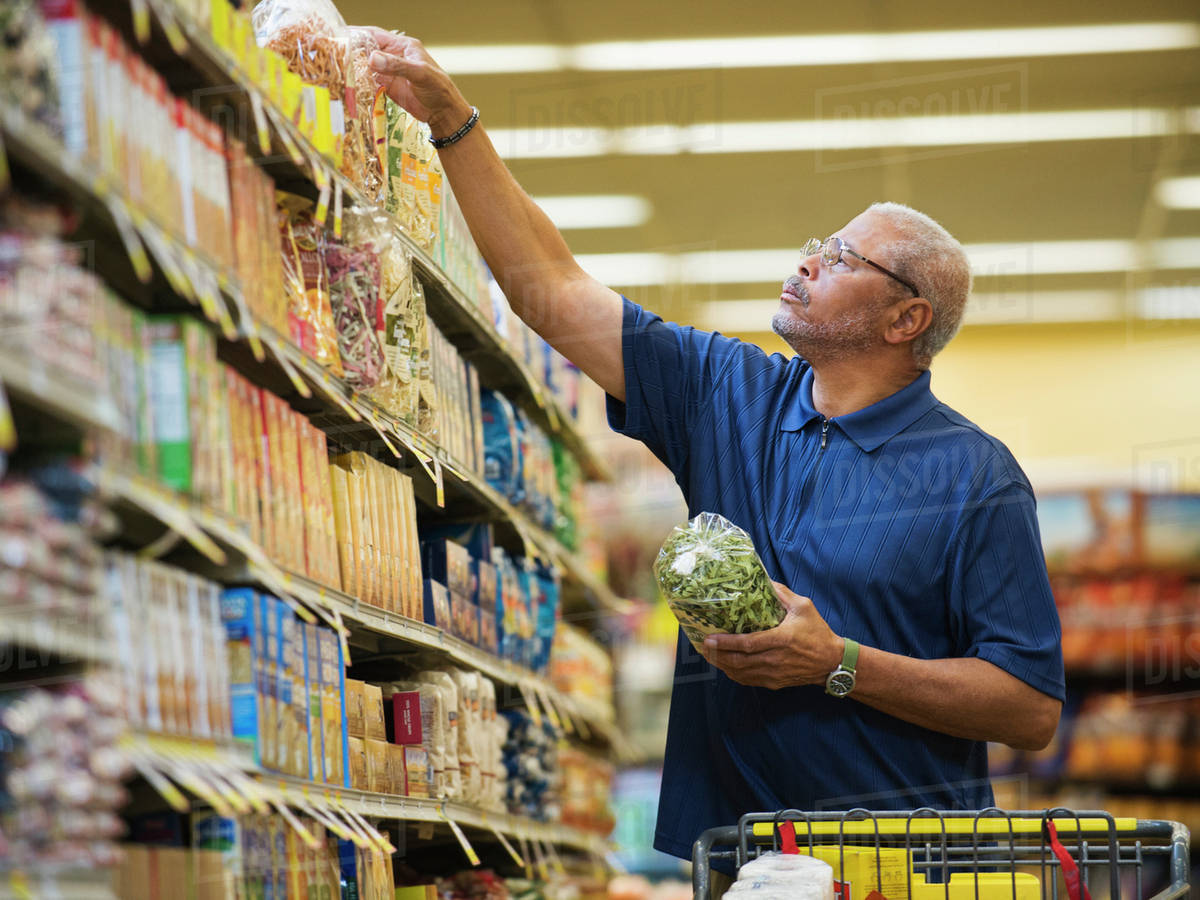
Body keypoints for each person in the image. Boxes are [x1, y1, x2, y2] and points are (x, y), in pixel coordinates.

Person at [364, 30, 1065, 879]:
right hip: (740, 862)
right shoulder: (727, 394)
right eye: (819, 241)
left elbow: (1029, 710)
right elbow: (551, 292)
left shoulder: (975, 476)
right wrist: (454, 123)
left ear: (906, 319)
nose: (808, 260)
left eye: (843, 257)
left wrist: (838, 664)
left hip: (913, 873)